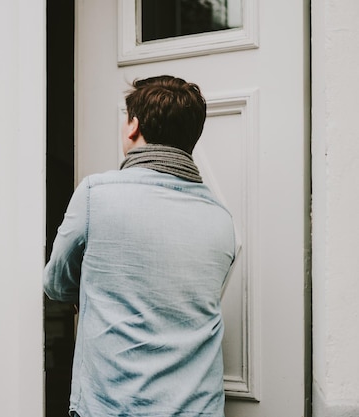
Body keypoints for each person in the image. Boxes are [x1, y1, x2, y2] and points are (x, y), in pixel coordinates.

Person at [43, 75, 235, 417]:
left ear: (133, 127)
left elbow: (56, 284)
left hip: (114, 407)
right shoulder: (222, 219)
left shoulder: (95, 195)